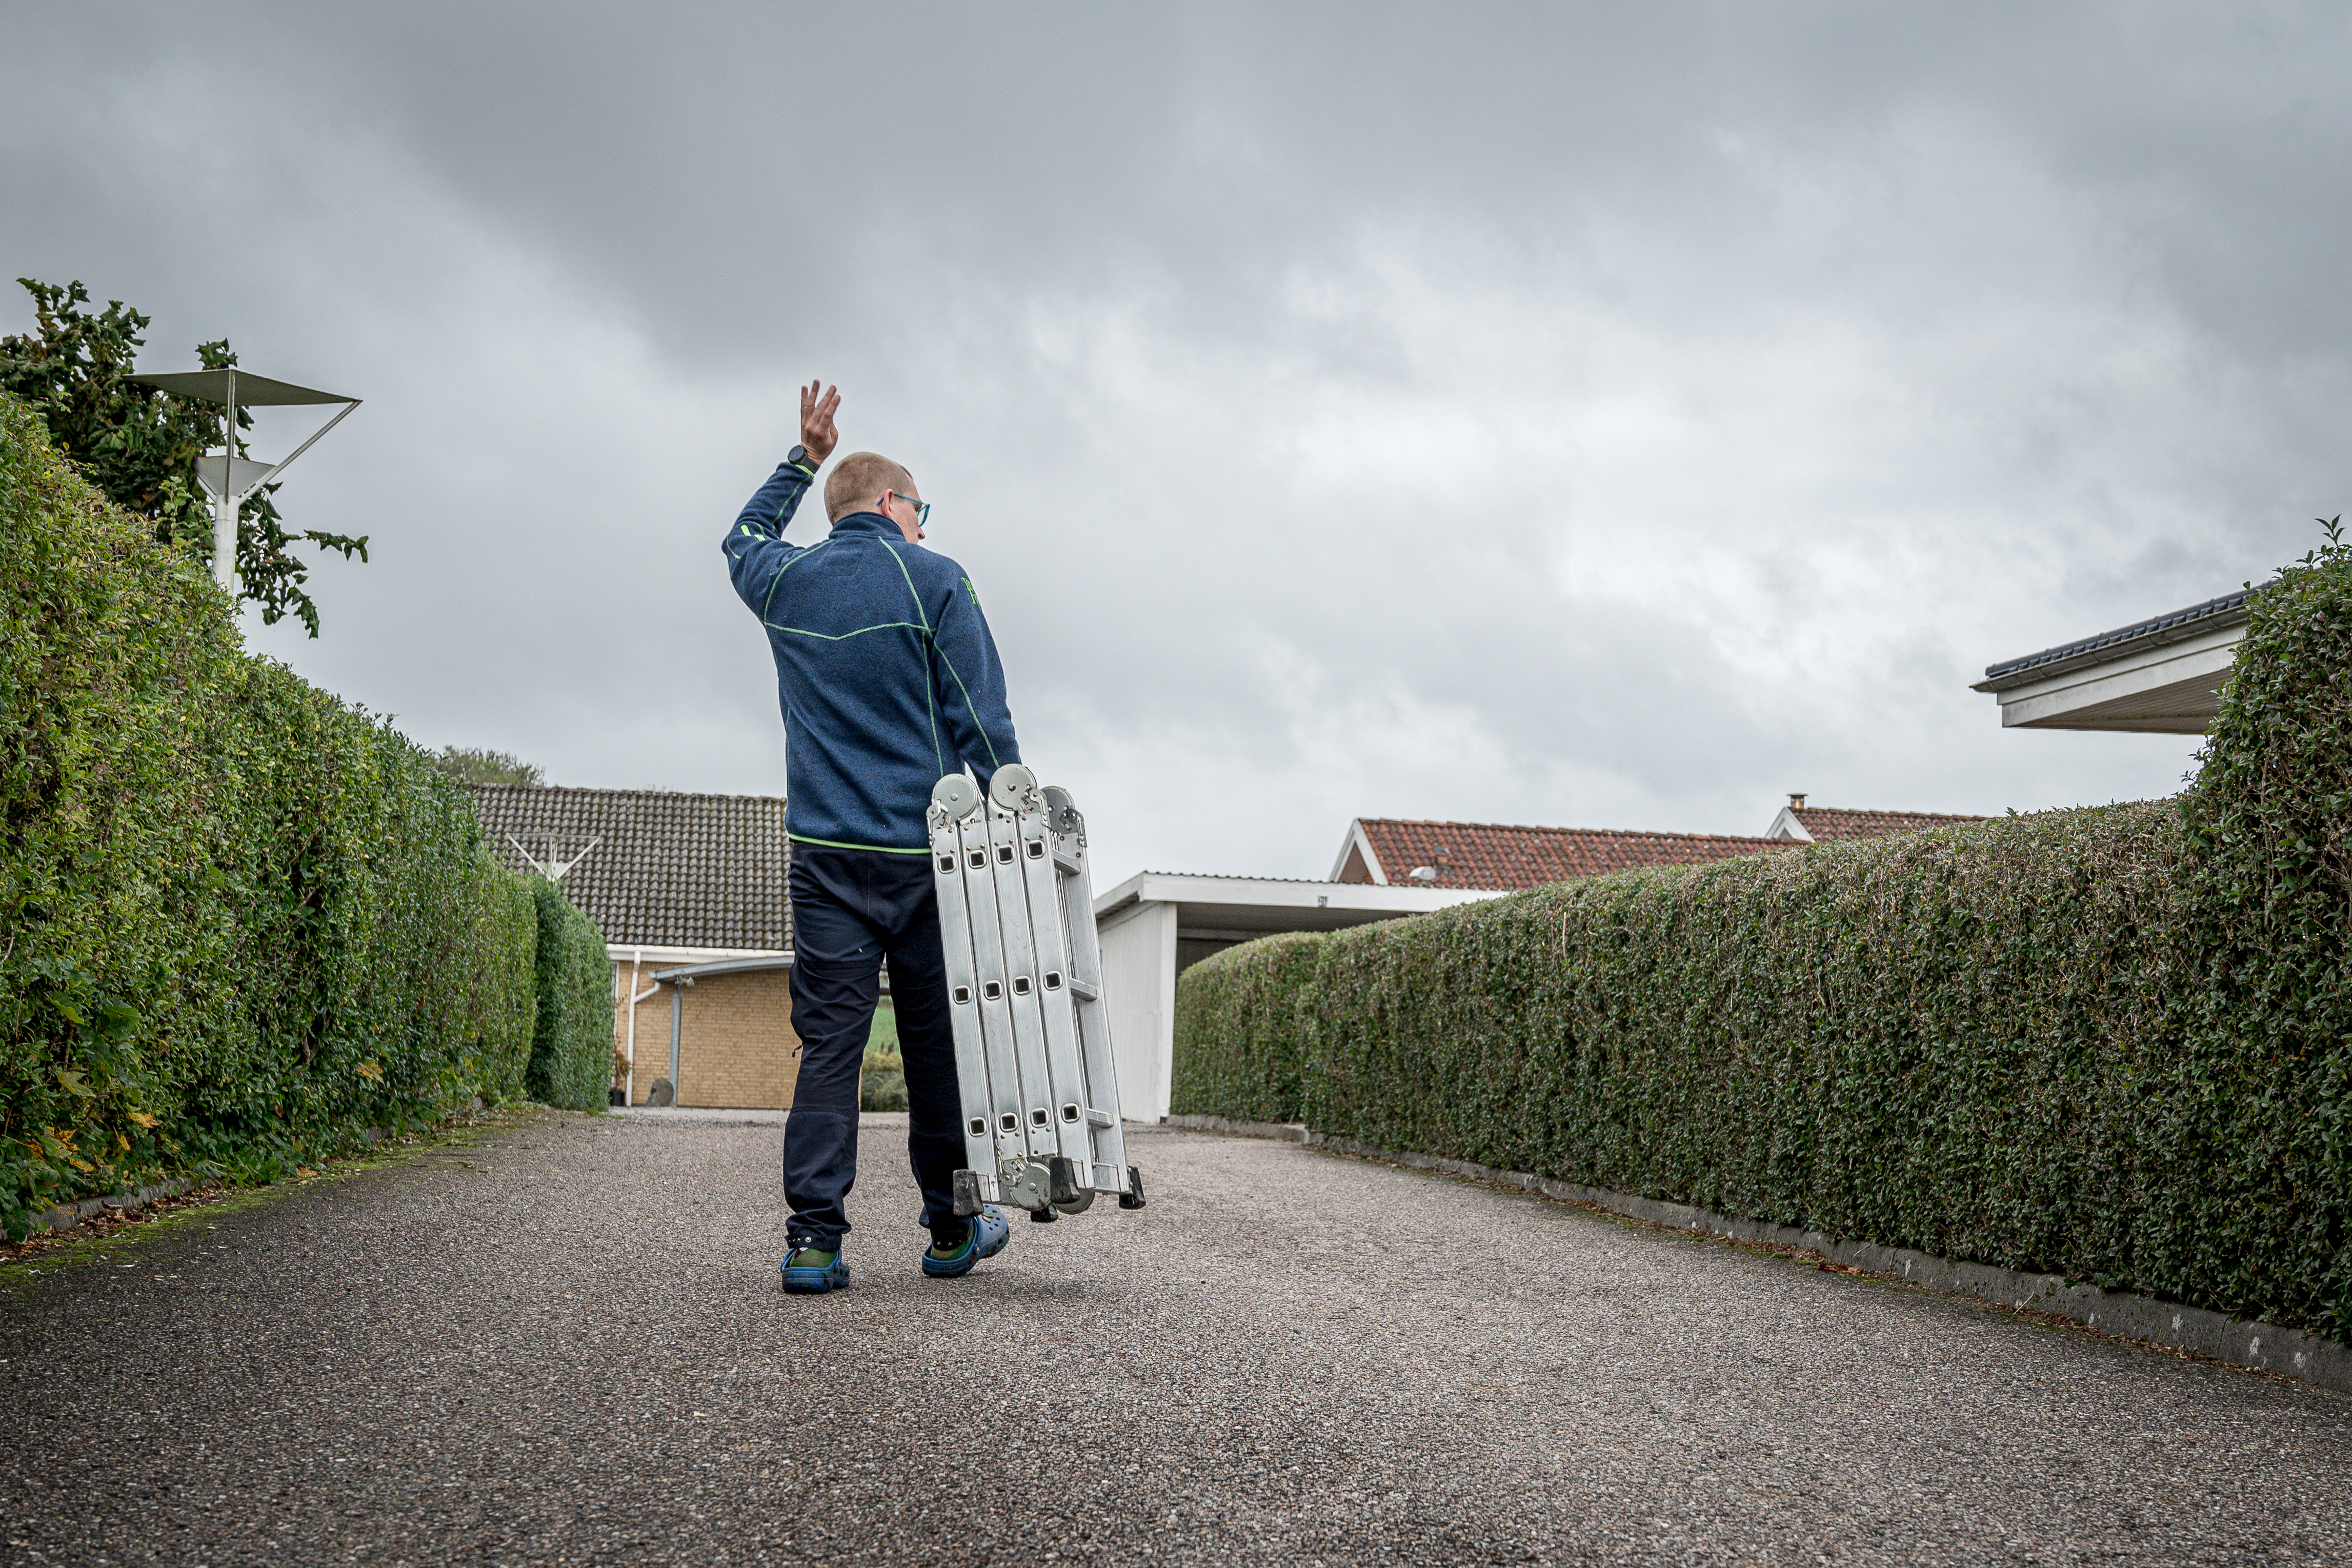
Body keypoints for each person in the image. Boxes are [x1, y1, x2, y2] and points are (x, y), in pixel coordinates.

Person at [722, 381, 1018, 1294]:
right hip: (925, 861)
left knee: (831, 1050)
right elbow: (979, 716)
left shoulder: (785, 580)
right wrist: (1014, 807)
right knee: (935, 1050)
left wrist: (801, 459)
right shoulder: (934, 578)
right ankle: (948, 1231)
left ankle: (813, 1243)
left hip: (826, 861)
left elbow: (740, 540)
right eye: (918, 507)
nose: (924, 523)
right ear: (891, 505)